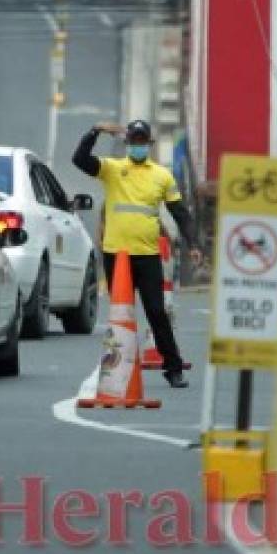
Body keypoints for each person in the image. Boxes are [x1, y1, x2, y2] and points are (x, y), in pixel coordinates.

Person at [73, 119, 200, 389]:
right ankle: (121, 367)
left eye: (142, 141)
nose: (138, 145)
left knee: (156, 312)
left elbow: (180, 212)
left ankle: (173, 368)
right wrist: (94, 132)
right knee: (122, 313)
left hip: (147, 255)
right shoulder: (112, 169)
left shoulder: (162, 176)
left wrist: (193, 244)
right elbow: (80, 160)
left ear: (149, 144)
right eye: (134, 141)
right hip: (116, 256)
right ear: (127, 143)